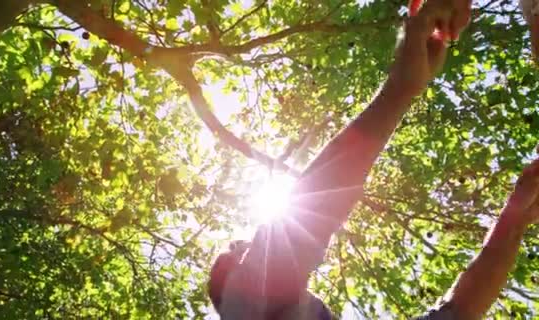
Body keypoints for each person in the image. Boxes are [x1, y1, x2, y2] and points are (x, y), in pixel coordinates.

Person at [205, 0, 538, 318]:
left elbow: (459, 312)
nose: (251, 248)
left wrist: (514, 219)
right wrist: (399, 91)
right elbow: (299, 227)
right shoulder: (245, 309)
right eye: (242, 252)